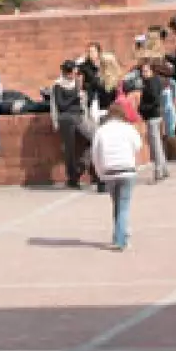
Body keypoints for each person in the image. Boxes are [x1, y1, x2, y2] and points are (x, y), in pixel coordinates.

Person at [90, 102, 142, 251]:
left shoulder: (101, 131)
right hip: (127, 169)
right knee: (124, 206)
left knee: (117, 205)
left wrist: (100, 173)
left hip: (109, 171)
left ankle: (117, 234)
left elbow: (95, 154)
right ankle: (121, 239)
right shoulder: (128, 129)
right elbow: (138, 146)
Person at [49, 60, 93, 189]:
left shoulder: (77, 84)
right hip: (66, 118)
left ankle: (82, 165)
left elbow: (82, 102)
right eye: (72, 72)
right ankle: (72, 178)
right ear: (66, 73)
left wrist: (81, 97)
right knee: (70, 149)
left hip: (79, 116)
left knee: (94, 137)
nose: (74, 75)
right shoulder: (58, 85)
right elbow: (61, 105)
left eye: (75, 72)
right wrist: (75, 95)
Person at [135, 57, 170, 182]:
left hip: (153, 116)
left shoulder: (151, 82)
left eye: (146, 71)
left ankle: (158, 171)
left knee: (155, 145)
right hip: (155, 115)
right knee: (157, 143)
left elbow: (154, 100)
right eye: (143, 71)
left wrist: (142, 108)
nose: (144, 74)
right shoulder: (155, 81)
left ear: (152, 71)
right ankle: (164, 169)